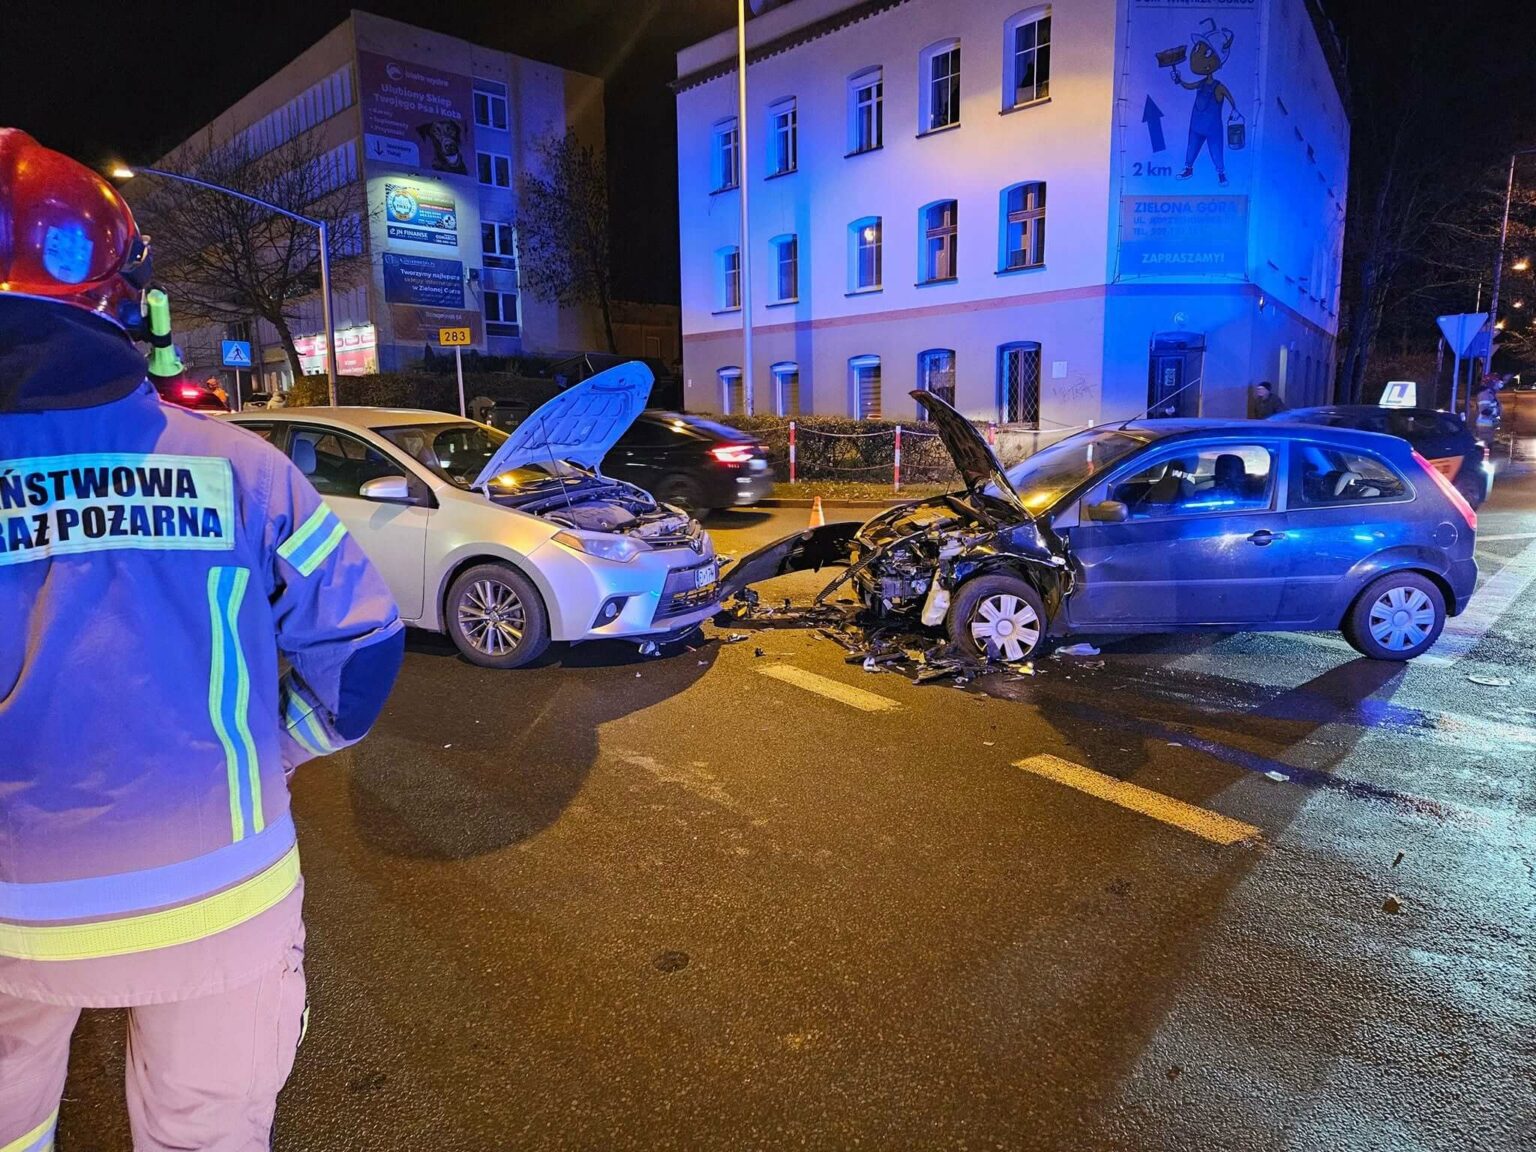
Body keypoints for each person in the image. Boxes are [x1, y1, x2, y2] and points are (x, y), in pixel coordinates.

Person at [0, 130, 404, 1151]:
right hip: (221, 896)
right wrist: (281, 747)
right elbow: (359, 654)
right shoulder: (241, 469)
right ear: (123, 297)